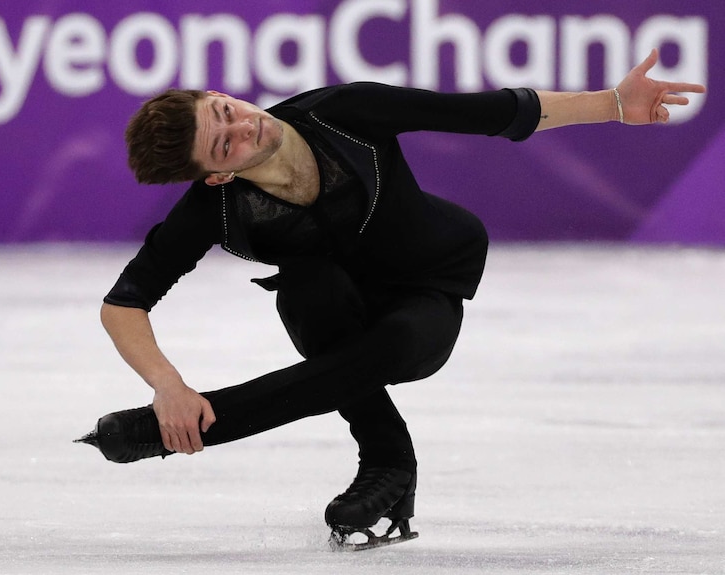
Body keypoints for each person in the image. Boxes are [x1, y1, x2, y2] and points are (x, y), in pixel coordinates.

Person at [76, 49, 704, 549]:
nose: (246, 124)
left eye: (226, 109)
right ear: (216, 174)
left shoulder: (341, 113)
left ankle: (351, 450)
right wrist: (168, 385)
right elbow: (124, 302)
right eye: (225, 144)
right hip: (338, 309)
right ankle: (388, 458)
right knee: (304, 285)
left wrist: (615, 103)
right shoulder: (211, 209)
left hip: (427, 283)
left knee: (395, 345)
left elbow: (490, 112)